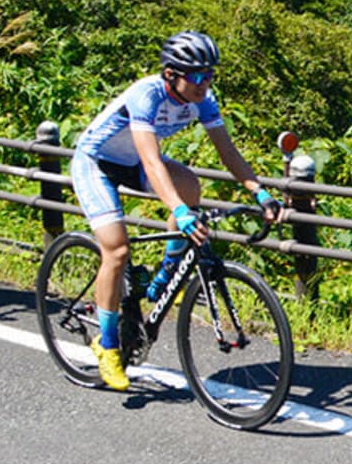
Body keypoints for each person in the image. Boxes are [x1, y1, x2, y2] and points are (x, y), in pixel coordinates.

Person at [69, 30, 281, 391]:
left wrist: (259, 192)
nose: (204, 83)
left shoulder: (203, 100)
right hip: (97, 162)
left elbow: (227, 152)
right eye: (196, 76)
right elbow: (152, 161)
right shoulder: (146, 95)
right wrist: (180, 212)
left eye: (209, 74)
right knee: (116, 250)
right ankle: (107, 346)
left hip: (133, 163)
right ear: (171, 74)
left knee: (190, 185)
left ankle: (165, 276)